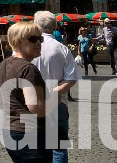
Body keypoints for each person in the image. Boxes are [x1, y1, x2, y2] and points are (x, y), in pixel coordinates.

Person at [0, 21, 50, 162]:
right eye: (32, 39)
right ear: (17, 41)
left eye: (39, 38)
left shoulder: (4, 64)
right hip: (31, 134)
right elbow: (35, 107)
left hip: (9, 131)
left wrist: (15, 108)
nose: (38, 43)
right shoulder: (28, 69)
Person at [32, 11, 80, 163]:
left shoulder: (24, 48)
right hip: (57, 102)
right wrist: (52, 92)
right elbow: (71, 79)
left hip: (31, 102)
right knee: (58, 147)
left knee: (33, 147)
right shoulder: (62, 49)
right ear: (55, 27)